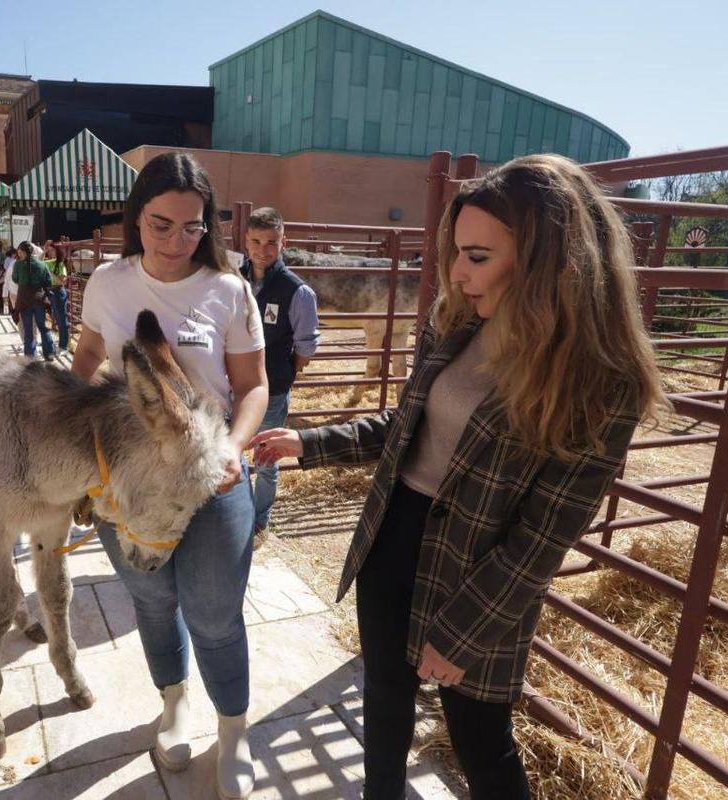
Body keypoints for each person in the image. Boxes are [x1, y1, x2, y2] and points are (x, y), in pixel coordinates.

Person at [250, 155, 668, 800]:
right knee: (385, 697)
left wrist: (465, 629)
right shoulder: (457, 325)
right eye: (455, 253)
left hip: (484, 568)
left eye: (476, 255)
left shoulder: (600, 380)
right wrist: (308, 442)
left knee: (479, 736)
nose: (455, 273)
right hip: (396, 534)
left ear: (548, 258)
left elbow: (544, 534)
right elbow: (405, 428)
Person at [71, 152, 267, 799]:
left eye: (191, 227)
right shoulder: (108, 282)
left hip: (210, 478)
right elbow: (90, 355)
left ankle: (233, 731)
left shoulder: (229, 289)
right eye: (160, 224)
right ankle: (173, 703)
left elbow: (255, 386)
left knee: (214, 613)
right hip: (124, 482)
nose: (176, 240)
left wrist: (235, 448)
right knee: (153, 601)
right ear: (136, 218)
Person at [239, 207, 320, 549]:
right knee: (228, 450)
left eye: (271, 242)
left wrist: (286, 373)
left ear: (283, 242)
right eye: (256, 241)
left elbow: (305, 346)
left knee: (266, 458)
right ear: (246, 240)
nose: (263, 249)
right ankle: (235, 513)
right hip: (232, 387)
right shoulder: (232, 279)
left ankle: (259, 522)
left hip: (271, 390)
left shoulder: (297, 291)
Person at [12, 241, 56, 360]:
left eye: (20, 251)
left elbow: (15, 279)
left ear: (24, 251)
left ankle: (31, 358)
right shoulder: (42, 264)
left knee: (28, 330)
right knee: (42, 326)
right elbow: (48, 282)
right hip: (39, 299)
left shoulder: (18, 265)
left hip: (24, 300)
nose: (19, 253)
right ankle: (49, 353)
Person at [42, 242, 71, 351]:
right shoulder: (48, 262)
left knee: (62, 319)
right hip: (51, 291)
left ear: (57, 251)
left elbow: (62, 281)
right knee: (58, 319)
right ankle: (62, 344)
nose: (50, 252)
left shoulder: (60, 264)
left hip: (58, 291)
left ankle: (64, 346)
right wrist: (44, 251)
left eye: (52, 250)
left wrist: (50, 273)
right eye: (49, 251)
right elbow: (39, 261)